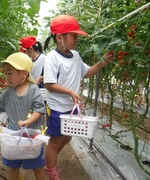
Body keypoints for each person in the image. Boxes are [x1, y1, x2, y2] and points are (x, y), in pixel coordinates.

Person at [43, 15, 114, 180]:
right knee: (55, 141)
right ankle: (51, 171)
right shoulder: (52, 58)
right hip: (57, 108)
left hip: (71, 106)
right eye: (74, 35)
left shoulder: (75, 55)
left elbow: (87, 73)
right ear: (60, 37)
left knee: (67, 136)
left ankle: (49, 160)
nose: (77, 39)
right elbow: (49, 84)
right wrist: (70, 92)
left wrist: (103, 62)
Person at [0, 52, 46, 180]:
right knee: (13, 167)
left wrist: (28, 121)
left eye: (10, 73)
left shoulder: (33, 90)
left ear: (24, 74)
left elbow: (39, 110)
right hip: (13, 138)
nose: (7, 77)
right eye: (6, 73)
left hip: (31, 138)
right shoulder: (8, 93)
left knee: (37, 167)